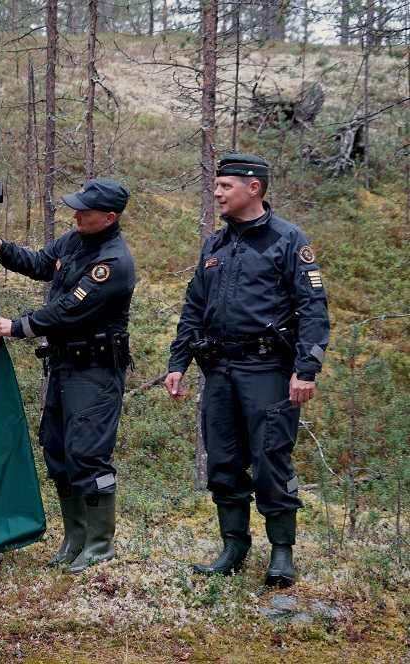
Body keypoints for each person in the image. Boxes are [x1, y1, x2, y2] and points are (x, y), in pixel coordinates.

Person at [164, 154, 330, 588]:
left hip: (269, 369)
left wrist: (306, 370)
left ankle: (281, 553)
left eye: (225, 186)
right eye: (216, 186)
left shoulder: (288, 239)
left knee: (271, 458)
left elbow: (313, 309)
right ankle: (234, 547)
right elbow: (193, 307)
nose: (216, 193)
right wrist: (178, 362)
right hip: (219, 370)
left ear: (253, 188)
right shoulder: (215, 245)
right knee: (223, 460)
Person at [0, 179, 136, 574]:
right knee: (56, 447)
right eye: (76, 209)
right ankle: (76, 538)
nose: (76, 215)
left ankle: (100, 545)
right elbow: (39, 264)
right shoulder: (75, 240)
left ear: (109, 217)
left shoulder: (113, 262)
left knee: (87, 452)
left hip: (96, 369)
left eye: (84, 212)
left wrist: (18, 326)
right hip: (64, 363)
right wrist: (2, 247)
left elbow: (70, 309)